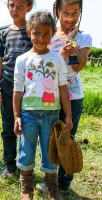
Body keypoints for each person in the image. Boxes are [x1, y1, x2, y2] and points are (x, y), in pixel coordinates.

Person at [13, 11, 73, 200]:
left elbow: (63, 88)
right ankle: (26, 189)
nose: (41, 38)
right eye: (36, 33)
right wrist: (16, 115)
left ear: (53, 33)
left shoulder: (57, 59)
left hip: (51, 115)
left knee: (50, 153)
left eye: (46, 34)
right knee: (26, 151)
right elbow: (17, 89)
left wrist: (68, 116)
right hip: (28, 114)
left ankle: (52, 189)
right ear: (29, 31)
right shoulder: (22, 60)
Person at [36, 0, 92, 194]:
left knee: (68, 138)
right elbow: (43, 66)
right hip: (49, 94)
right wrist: (60, 53)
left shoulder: (84, 38)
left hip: (73, 96)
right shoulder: (47, 36)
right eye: (65, 12)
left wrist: (72, 43)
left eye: (75, 13)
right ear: (56, 12)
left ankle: (64, 184)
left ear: (80, 13)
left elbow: (78, 66)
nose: (70, 18)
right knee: (49, 137)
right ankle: (51, 181)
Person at [0, 0, 34, 178]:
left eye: (20, 6)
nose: (15, 10)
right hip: (8, 87)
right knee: (8, 127)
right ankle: (10, 165)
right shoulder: (3, 34)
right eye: (11, 5)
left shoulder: (33, 31)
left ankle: (27, 165)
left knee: (29, 127)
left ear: (29, 8)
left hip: (31, 88)